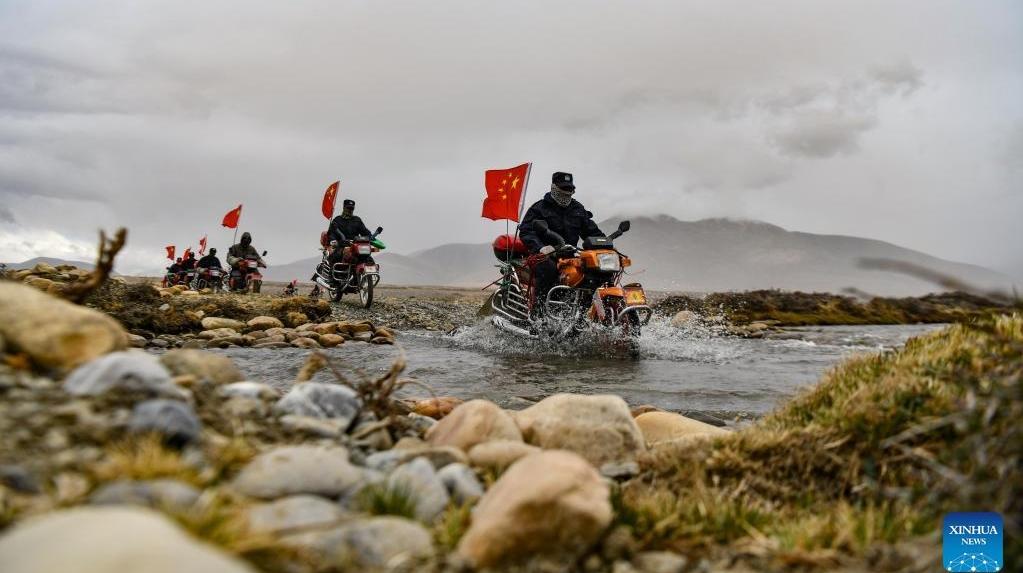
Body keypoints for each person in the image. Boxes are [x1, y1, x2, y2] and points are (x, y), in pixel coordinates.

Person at [519, 171, 604, 308]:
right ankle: (539, 316)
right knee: (548, 270)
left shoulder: (578, 209)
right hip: (545, 255)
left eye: (569, 189)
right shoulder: (539, 208)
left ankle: (581, 313)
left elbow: (591, 231)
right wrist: (540, 247)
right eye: (563, 188)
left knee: (592, 272)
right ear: (554, 187)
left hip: (570, 256)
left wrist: (605, 245)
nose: (567, 192)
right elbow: (526, 231)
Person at [326, 199, 375, 267]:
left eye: (352, 208)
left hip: (355, 246)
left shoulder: (357, 220)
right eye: (348, 208)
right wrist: (334, 241)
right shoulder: (337, 220)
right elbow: (331, 234)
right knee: (336, 256)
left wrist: (369, 237)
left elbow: (365, 232)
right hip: (341, 245)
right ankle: (332, 274)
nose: (350, 210)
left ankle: (370, 274)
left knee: (368, 259)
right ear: (344, 208)